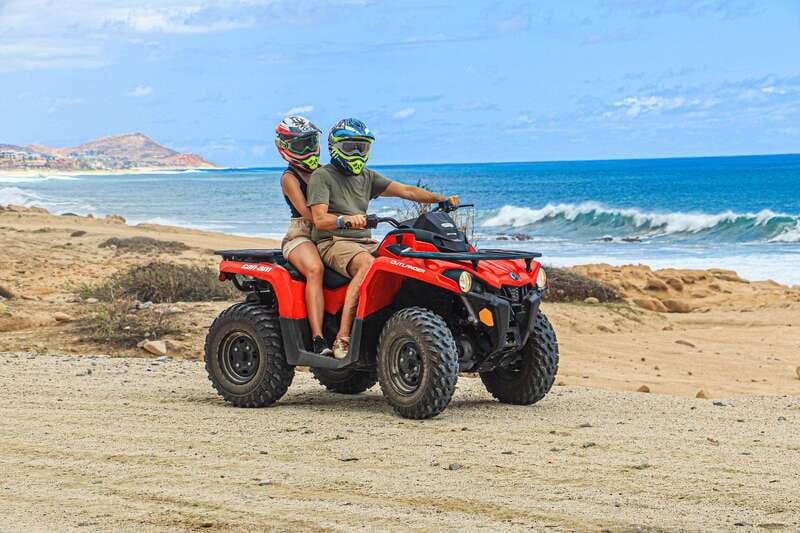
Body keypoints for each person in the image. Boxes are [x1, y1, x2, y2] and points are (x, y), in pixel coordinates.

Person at [307, 118, 459, 359]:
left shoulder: (367, 177)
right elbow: (319, 219)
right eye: (350, 147)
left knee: (405, 261)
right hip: (334, 242)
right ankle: (343, 337)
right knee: (368, 265)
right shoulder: (322, 176)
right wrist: (344, 220)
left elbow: (407, 191)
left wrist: (441, 199)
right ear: (334, 147)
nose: (357, 152)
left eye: (362, 147)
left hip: (365, 242)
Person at [275, 116, 331, 356]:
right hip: (301, 234)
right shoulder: (290, 178)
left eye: (311, 142)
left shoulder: (325, 172)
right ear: (285, 148)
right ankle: (318, 338)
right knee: (315, 270)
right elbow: (308, 214)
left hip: (329, 232)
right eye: (301, 145)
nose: (309, 150)